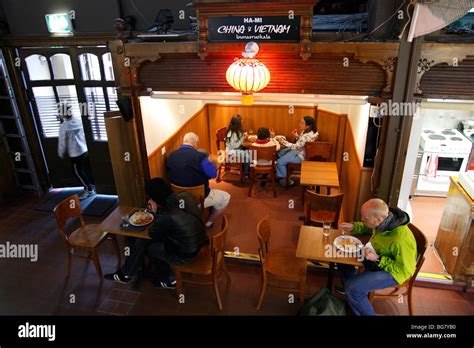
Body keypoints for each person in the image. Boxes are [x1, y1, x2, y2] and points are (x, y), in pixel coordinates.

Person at [105, 178, 208, 288]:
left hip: (187, 253)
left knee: (150, 246)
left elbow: (153, 234)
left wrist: (154, 212)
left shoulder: (167, 215)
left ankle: (168, 280)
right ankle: (127, 273)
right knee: (145, 241)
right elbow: (176, 216)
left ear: (155, 197)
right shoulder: (185, 196)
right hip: (200, 241)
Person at [337, 198, 417, 316]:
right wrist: (354, 227)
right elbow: (369, 227)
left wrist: (378, 258)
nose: (363, 220)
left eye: (365, 219)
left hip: (394, 272)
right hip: (377, 256)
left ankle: (354, 293)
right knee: (342, 256)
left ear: (378, 219)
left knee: (353, 288)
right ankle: (353, 292)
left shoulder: (400, 240)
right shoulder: (385, 220)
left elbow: (405, 269)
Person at [166, 132, 231, 228]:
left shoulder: (171, 156)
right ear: (195, 143)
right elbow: (213, 174)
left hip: (178, 197)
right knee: (226, 197)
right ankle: (208, 222)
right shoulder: (200, 156)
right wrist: (211, 163)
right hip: (198, 198)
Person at [57, 113, 96, 200]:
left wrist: (61, 153)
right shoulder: (78, 121)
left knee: (78, 172)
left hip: (75, 152)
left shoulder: (64, 126)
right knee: (84, 169)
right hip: (84, 149)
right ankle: (90, 186)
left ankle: (89, 190)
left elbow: (62, 142)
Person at [275, 116, 318, 186]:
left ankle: (285, 181)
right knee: (280, 153)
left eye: (302, 123)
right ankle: (285, 173)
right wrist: (296, 135)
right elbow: (302, 142)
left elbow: (296, 146)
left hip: (301, 155)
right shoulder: (311, 132)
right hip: (301, 151)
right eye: (300, 122)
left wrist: (282, 141)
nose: (299, 124)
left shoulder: (306, 135)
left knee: (280, 162)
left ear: (308, 126)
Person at [225, 114, 250, 178]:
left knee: (249, 151)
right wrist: (243, 138)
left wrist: (243, 136)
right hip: (232, 151)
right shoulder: (231, 132)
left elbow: (237, 140)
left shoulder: (237, 130)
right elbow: (234, 145)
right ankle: (246, 173)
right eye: (241, 121)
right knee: (248, 155)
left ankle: (245, 170)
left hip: (237, 149)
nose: (243, 121)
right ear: (237, 123)